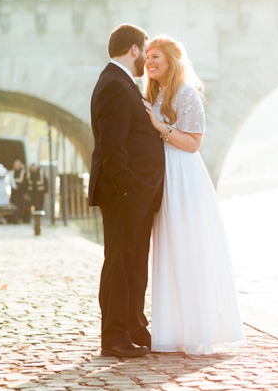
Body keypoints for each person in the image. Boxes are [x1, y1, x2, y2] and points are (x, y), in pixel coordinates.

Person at [142, 35, 246, 354]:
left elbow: (193, 143)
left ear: (172, 60)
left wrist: (160, 127)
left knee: (188, 247)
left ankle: (198, 330)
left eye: (156, 56)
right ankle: (172, 330)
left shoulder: (187, 94)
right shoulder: (155, 93)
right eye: (147, 57)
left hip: (184, 175)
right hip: (165, 175)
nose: (149, 62)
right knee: (169, 249)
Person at [89, 24, 165, 359]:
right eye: (144, 50)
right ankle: (115, 337)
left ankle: (134, 329)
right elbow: (113, 146)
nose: (145, 58)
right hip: (124, 195)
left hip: (132, 194)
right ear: (133, 49)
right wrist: (128, 188)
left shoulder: (120, 83)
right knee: (120, 264)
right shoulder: (116, 85)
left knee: (133, 264)